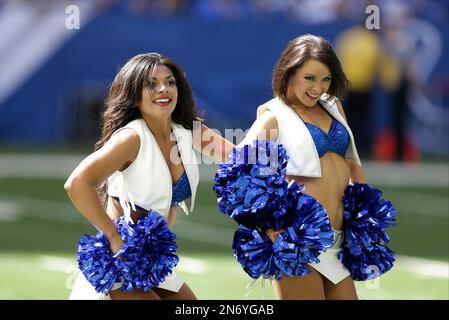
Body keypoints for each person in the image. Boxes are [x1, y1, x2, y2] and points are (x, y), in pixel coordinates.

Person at [64, 52, 234, 300]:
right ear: (134, 93)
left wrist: (270, 139)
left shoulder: (188, 130)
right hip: (121, 259)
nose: (163, 89)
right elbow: (77, 183)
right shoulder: (130, 138)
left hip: (151, 261)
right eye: (151, 84)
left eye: (170, 82)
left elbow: (239, 158)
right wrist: (113, 237)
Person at [239, 34, 366, 300]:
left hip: (337, 239)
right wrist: (273, 229)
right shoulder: (273, 116)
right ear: (289, 72)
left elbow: (352, 165)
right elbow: (238, 176)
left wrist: (364, 217)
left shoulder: (333, 107)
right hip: (299, 238)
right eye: (309, 78)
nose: (318, 88)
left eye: (326, 79)